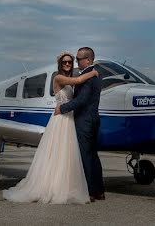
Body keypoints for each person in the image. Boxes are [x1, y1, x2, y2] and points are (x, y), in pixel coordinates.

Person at [2, 51, 98, 204]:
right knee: (57, 152)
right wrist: (93, 72)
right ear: (60, 64)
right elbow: (79, 79)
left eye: (69, 62)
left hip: (69, 119)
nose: (67, 64)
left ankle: (66, 185)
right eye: (64, 62)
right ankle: (52, 186)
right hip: (60, 119)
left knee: (67, 154)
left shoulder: (67, 79)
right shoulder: (58, 78)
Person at [54, 47, 105, 202]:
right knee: (93, 156)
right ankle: (99, 190)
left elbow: (81, 100)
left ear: (88, 60)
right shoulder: (94, 75)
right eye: (70, 61)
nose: (75, 62)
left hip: (84, 121)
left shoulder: (88, 76)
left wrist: (62, 108)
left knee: (86, 156)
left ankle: (90, 191)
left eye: (77, 59)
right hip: (93, 119)